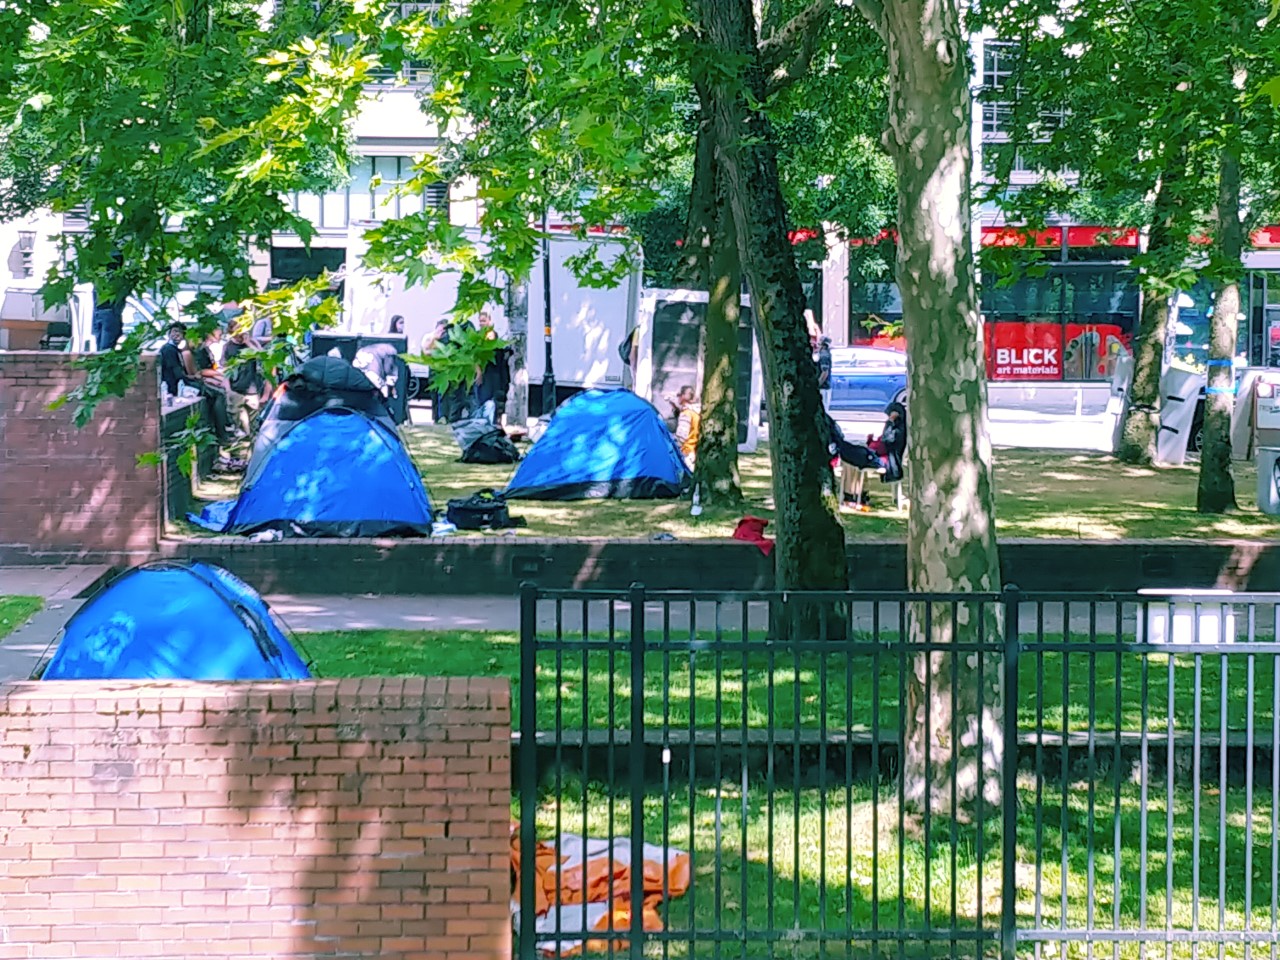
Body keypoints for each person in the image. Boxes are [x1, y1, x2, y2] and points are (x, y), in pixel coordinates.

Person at [222, 326, 267, 437]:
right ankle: (244, 446)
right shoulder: (227, 347)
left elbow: (263, 357)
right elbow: (225, 368)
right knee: (240, 422)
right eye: (237, 332)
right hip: (235, 388)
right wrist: (228, 389)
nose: (240, 335)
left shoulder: (252, 343)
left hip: (252, 388)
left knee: (254, 421)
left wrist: (248, 343)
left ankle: (252, 442)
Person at [157, 322, 189, 400]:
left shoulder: (174, 348)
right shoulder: (168, 349)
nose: (177, 334)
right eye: (174, 331)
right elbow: (175, 370)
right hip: (170, 386)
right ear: (169, 334)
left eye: (180, 332)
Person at [672, 384, 701, 465]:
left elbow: (681, 438)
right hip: (694, 451)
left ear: (684, 396)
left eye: (679, 395)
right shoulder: (696, 412)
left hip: (686, 454)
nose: (678, 398)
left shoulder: (686, 413)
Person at [816, 337, 832, 412]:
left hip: (823, 387)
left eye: (819, 344)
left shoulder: (824, 355)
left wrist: (818, 384)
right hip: (826, 386)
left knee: (823, 409)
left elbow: (824, 372)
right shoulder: (827, 354)